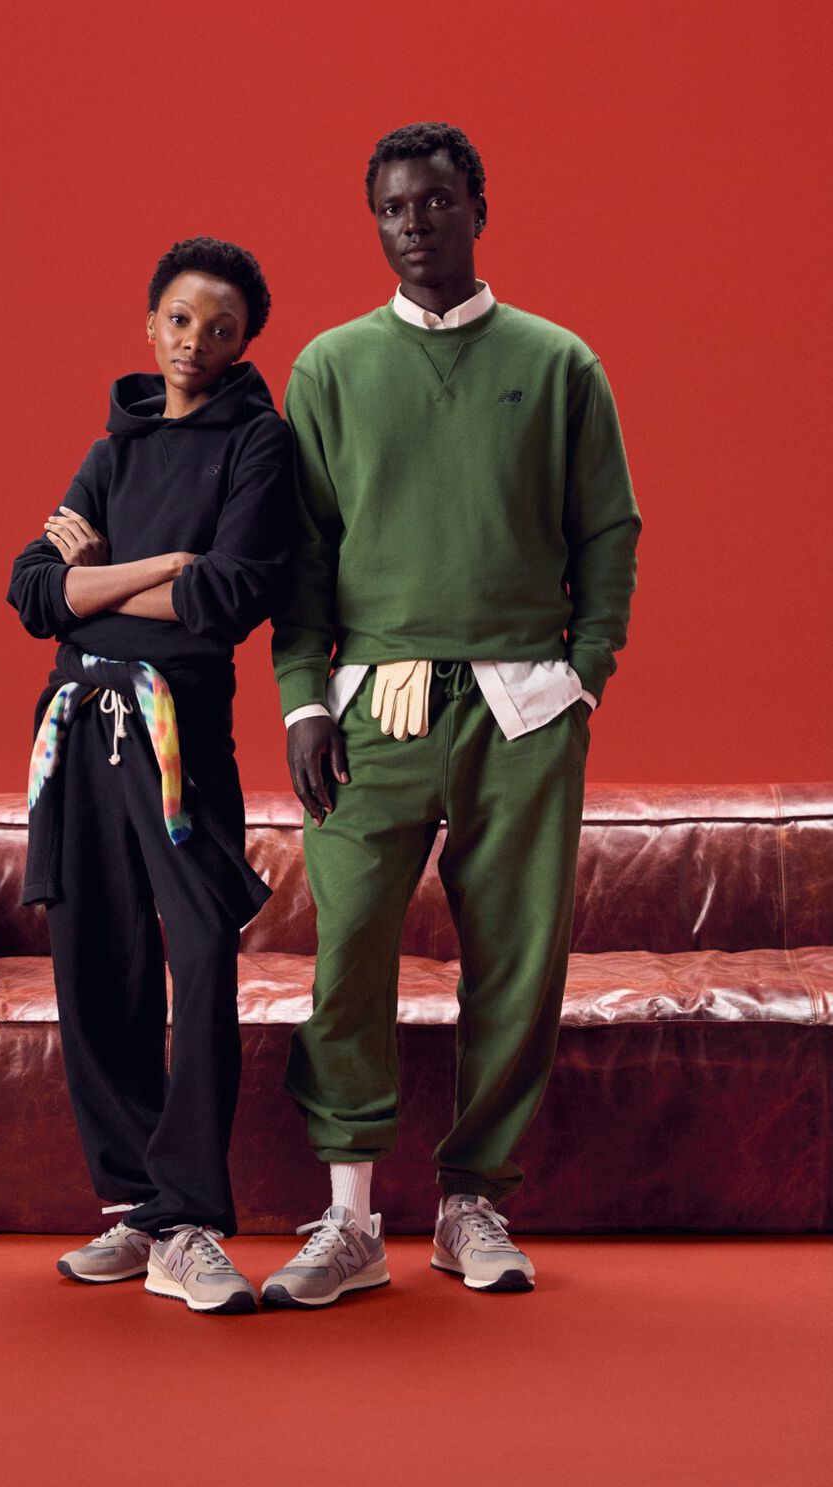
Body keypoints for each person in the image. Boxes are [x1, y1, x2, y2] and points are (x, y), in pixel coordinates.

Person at [265, 122, 641, 1307]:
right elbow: (302, 550)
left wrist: (584, 668)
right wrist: (300, 700)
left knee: (518, 964)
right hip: (375, 698)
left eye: (433, 202)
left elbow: (608, 529)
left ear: (480, 206)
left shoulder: (560, 360)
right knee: (348, 954)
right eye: (390, 208)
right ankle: (349, 1215)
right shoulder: (329, 365)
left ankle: (476, 1197)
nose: (412, 225)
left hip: (524, 701)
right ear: (372, 220)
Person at [8, 237, 291, 1315]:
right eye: (179, 319)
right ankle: (136, 1207)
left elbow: (229, 596)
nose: (195, 341)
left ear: (242, 343)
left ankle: (189, 1219)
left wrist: (94, 580)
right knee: (95, 955)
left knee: (202, 950)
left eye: (220, 327)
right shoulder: (111, 447)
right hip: (77, 728)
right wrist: (156, 567)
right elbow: (31, 593)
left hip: (175, 728)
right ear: (149, 323)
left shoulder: (258, 443)